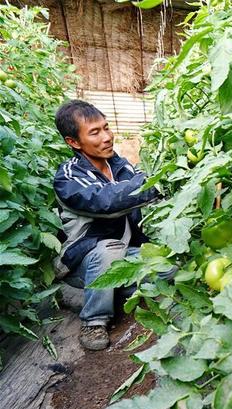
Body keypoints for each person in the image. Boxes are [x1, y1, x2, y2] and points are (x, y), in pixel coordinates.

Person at [53, 100, 163, 351]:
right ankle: (93, 320)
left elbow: (135, 187)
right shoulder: (68, 177)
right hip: (84, 261)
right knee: (109, 249)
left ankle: (110, 291)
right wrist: (155, 183)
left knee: (166, 268)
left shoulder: (119, 165)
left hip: (122, 254)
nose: (107, 137)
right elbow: (105, 202)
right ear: (73, 142)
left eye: (106, 128)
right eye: (95, 132)